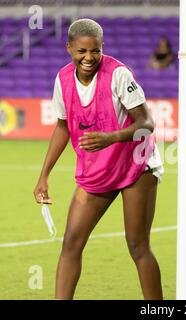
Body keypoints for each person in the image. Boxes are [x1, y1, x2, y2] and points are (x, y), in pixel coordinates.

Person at [33, 19, 164, 300]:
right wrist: (44, 175)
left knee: (137, 245)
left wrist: (111, 138)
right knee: (71, 242)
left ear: (102, 48)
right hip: (98, 170)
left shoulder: (118, 74)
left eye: (95, 51)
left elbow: (147, 123)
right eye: (82, 51)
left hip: (136, 165)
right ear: (69, 48)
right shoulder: (62, 79)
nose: (89, 58)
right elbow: (62, 126)